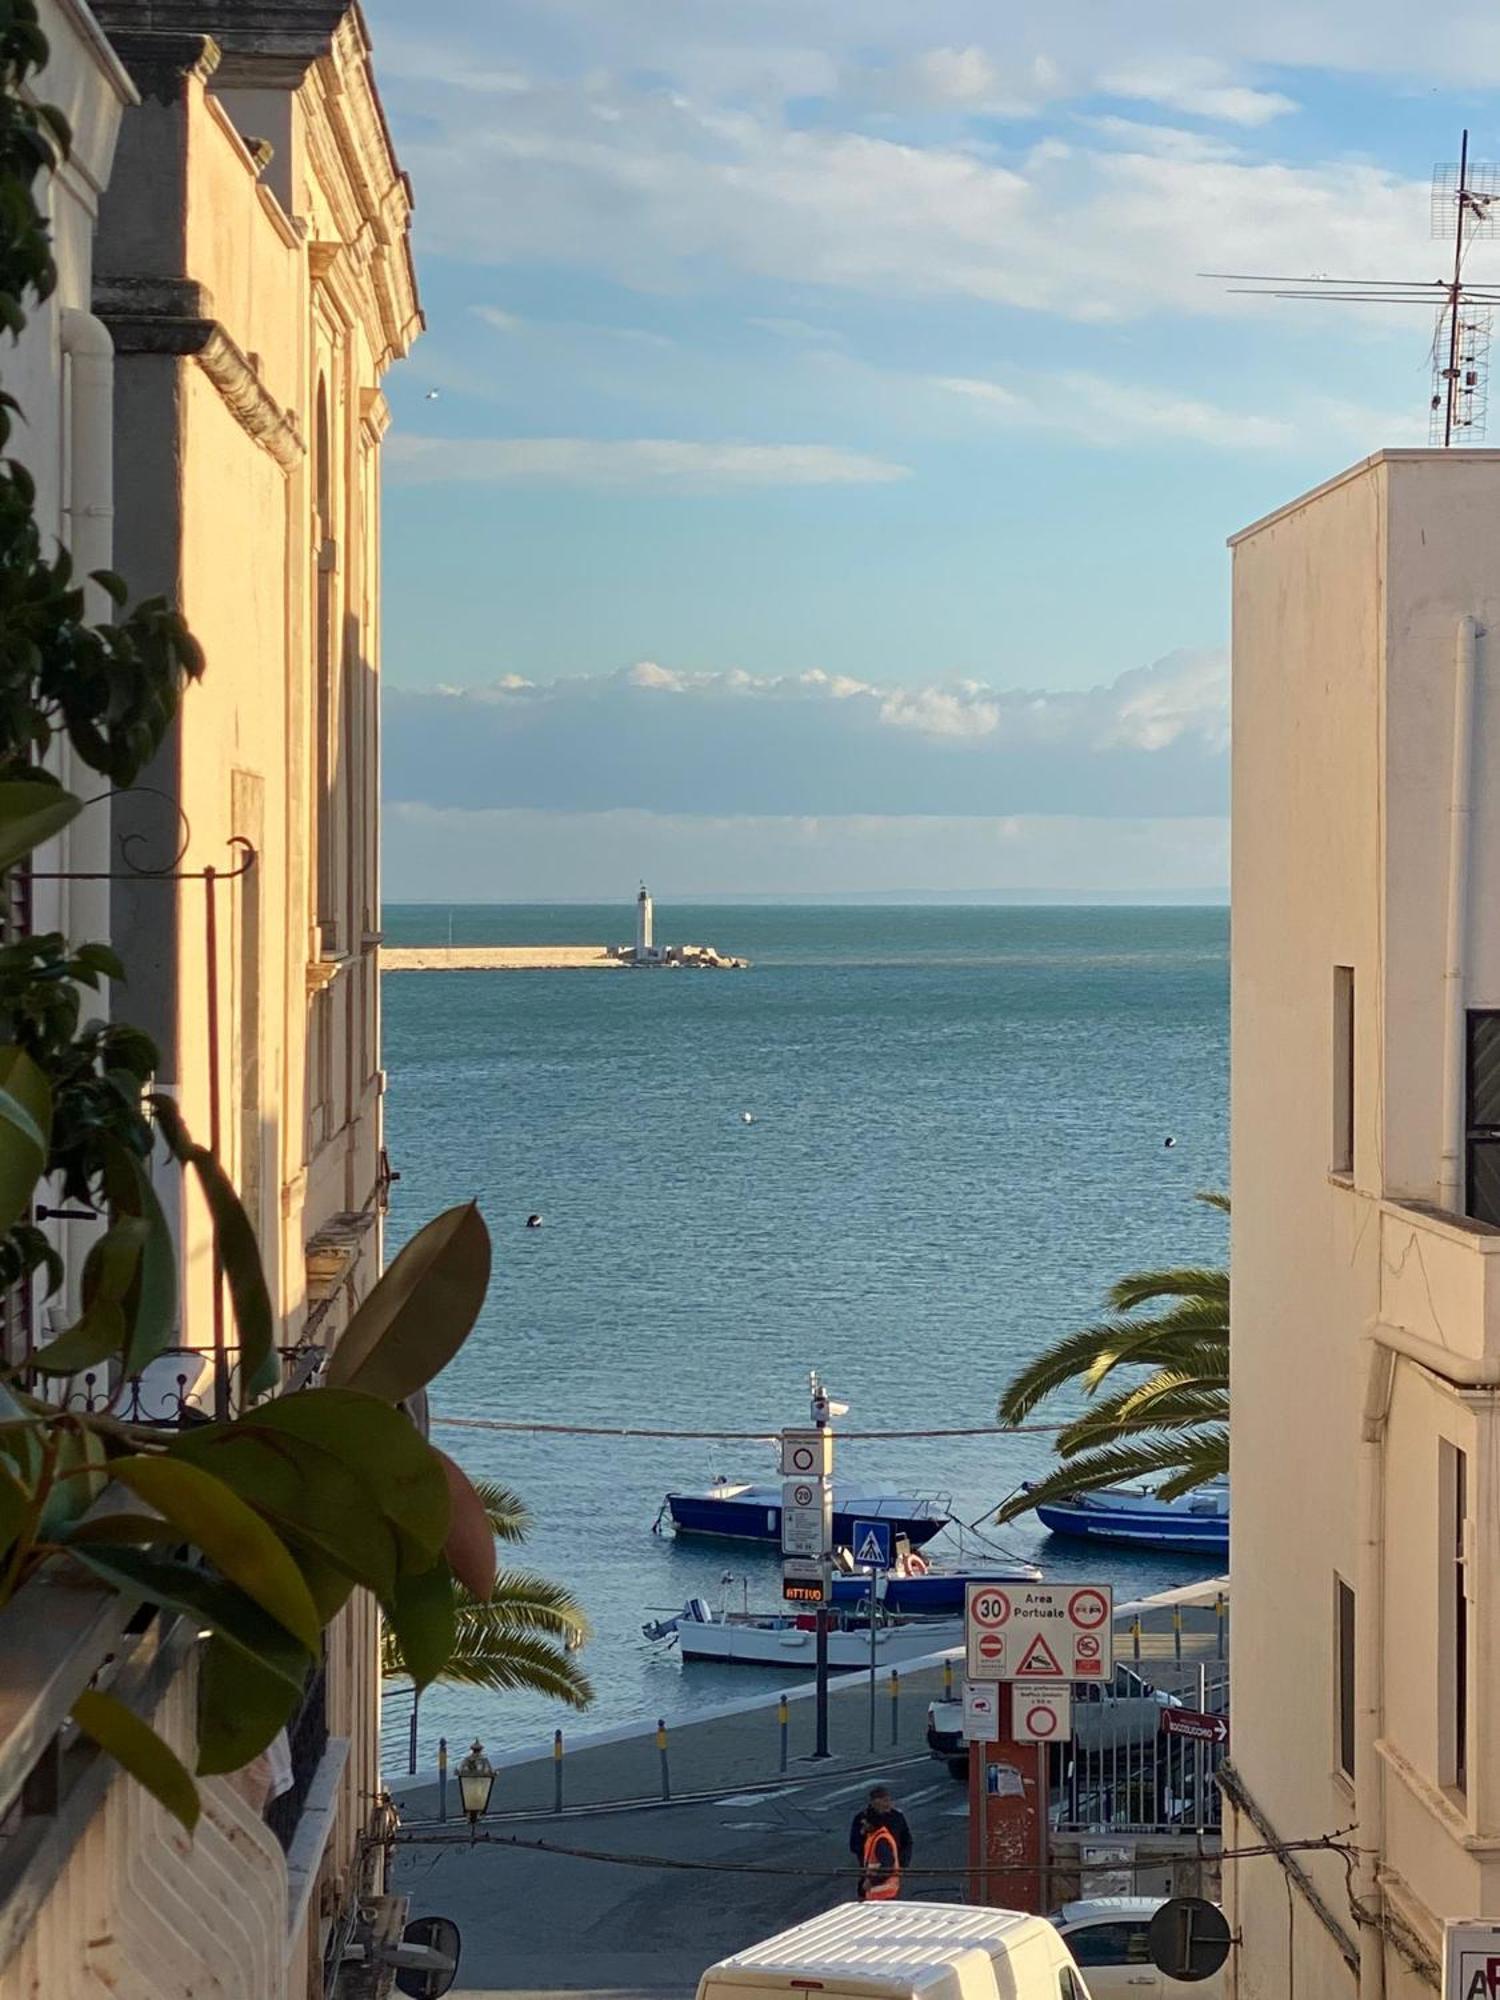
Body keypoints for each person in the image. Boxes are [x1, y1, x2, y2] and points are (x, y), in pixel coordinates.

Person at [849, 1785, 913, 1901]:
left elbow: (906, 1842)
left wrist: (902, 1864)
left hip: (884, 1877)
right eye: (884, 1801)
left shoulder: (896, 1817)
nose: (888, 1804)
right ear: (873, 1802)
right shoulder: (862, 1819)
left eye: (888, 1800)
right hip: (870, 1874)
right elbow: (854, 1845)